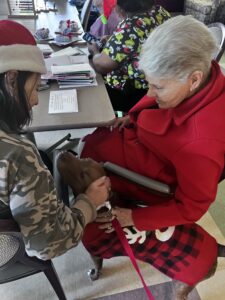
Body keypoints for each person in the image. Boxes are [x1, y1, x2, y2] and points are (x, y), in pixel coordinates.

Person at [79, 15, 225, 293]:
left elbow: (192, 207)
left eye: (158, 86)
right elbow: (156, 103)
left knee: (88, 158)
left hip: (153, 174)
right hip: (144, 140)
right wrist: (133, 117)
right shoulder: (203, 70)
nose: (150, 92)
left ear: (193, 80)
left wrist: (135, 219)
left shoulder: (200, 145)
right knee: (95, 139)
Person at [0, 20, 110, 260]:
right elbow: (46, 245)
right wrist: (89, 203)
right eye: (34, 87)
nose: (35, 101)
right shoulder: (18, 156)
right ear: (11, 79)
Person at [87, 0, 170, 112]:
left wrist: (95, 51)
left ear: (120, 9)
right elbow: (141, 37)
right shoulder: (160, 12)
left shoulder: (129, 27)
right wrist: (114, 39)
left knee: (89, 95)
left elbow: (102, 66)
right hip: (160, 85)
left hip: (134, 91)